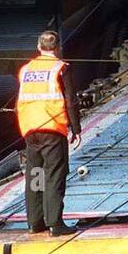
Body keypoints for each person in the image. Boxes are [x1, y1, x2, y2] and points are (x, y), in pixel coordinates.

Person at [16, 30, 81, 236]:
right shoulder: (61, 68)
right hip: (52, 127)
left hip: (29, 128)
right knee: (54, 174)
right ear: (58, 47)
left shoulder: (25, 69)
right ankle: (55, 223)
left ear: (38, 47)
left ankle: (35, 222)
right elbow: (70, 100)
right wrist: (76, 128)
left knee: (36, 174)